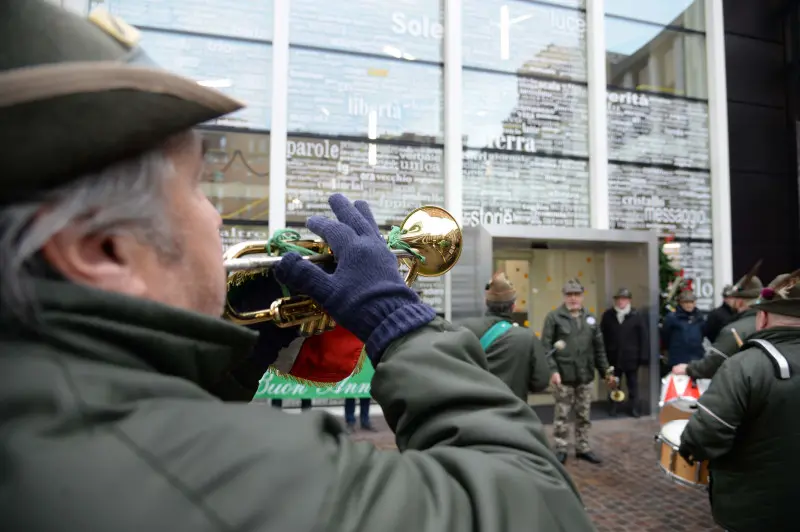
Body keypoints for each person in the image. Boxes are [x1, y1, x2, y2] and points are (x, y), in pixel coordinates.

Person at [0, 3, 597, 531]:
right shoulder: (226, 469)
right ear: (103, 249)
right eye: (198, 187)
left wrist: (239, 361)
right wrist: (400, 323)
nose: (215, 221)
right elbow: (539, 504)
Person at [679, 271, 800, 532]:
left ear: (762, 317)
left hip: (758, 510)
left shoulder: (744, 366)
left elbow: (702, 437)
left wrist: (690, 449)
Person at [542, 278, 614, 465]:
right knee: (562, 415)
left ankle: (583, 447)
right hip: (563, 376)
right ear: (564, 296)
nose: (573, 298)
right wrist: (553, 371)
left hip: (585, 375)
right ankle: (561, 448)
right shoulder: (554, 317)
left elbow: (599, 349)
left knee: (584, 415)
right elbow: (545, 348)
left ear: (582, 297)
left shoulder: (590, 319)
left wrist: (606, 372)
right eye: (569, 295)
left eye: (577, 295)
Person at [459, 272, 551, 402]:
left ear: (487, 302)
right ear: (513, 306)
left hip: (473, 411)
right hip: (512, 413)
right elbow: (540, 382)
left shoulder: (464, 328)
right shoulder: (527, 338)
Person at [672, 270, 763, 380]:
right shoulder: (770, 323)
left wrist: (689, 369)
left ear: (739, 302)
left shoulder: (734, 331)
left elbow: (714, 362)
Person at [600, 287, 648, 417]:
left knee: (632, 384)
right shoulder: (608, 315)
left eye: (624, 299)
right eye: (618, 299)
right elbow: (602, 336)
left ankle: (634, 408)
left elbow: (643, 337)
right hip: (613, 356)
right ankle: (614, 407)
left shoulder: (636, 316)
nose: (621, 302)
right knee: (614, 383)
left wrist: (643, 356)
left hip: (631, 357)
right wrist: (602, 356)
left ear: (629, 300)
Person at [661, 288, 706, 370]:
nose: (689, 305)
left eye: (691, 302)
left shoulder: (699, 317)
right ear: (680, 303)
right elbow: (665, 336)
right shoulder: (672, 318)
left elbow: (702, 334)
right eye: (686, 302)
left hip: (696, 356)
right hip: (678, 357)